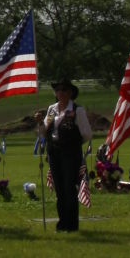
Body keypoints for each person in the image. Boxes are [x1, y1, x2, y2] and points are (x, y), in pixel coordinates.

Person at [41, 78, 91, 232]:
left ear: (70, 93)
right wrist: (39, 123)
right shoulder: (52, 110)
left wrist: (72, 143)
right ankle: (62, 222)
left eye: (63, 90)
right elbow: (44, 131)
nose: (60, 93)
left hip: (70, 154)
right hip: (54, 153)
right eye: (58, 90)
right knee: (60, 188)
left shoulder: (77, 110)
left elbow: (87, 134)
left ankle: (71, 224)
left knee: (69, 187)